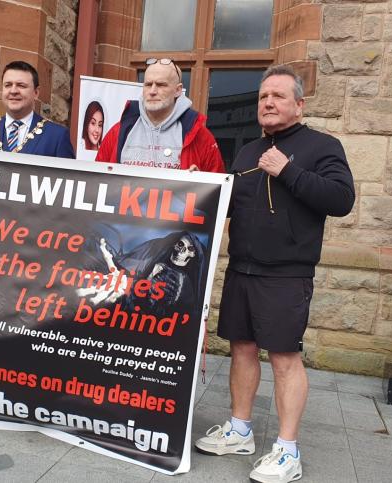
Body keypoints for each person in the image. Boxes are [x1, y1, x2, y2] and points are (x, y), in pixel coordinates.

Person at [195, 65, 355, 483]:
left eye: (278, 96)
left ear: (299, 105)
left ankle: (287, 449)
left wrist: (288, 170)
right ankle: (240, 429)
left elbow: (341, 200)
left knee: (284, 358)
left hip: (286, 275)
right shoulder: (249, 151)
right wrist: (196, 189)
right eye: (263, 96)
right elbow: (227, 203)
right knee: (242, 349)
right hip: (241, 269)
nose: (267, 102)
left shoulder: (323, 146)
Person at [96, 58, 224, 173]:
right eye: (148, 84)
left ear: (178, 90)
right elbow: (96, 179)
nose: (152, 91)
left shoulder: (199, 136)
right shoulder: (119, 131)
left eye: (161, 85)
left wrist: (201, 181)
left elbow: (218, 190)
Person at [0, 61, 75, 158]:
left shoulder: (56, 136)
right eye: (8, 85)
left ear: (36, 93)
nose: (13, 91)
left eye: (21, 85)